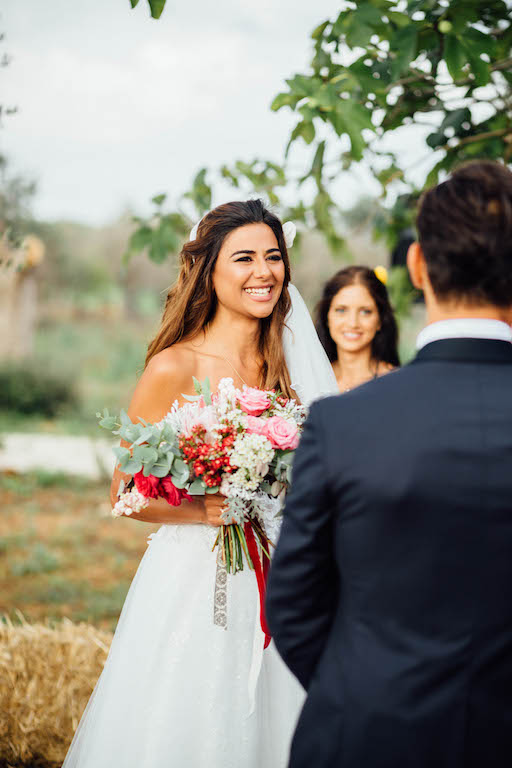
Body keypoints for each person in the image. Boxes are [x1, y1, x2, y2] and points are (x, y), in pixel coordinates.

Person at [62, 199, 337, 768]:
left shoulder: (287, 362)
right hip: (194, 577)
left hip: (281, 568)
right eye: (243, 259)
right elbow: (125, 493)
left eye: (273, 257)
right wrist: (203, 509)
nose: (264, 273)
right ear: (208, 271)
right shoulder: (173, 367)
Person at [266, 161, 512, 768]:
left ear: (418, 265)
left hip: (369, 734)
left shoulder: (343, 423)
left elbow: (294, 606)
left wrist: (365, 689)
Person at [315, 266, 399, 392]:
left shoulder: (396, 381)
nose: (353, 323)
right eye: (341, 310)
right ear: (327, 317)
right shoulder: (311, 379)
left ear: (380, 320)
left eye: (365, 312)